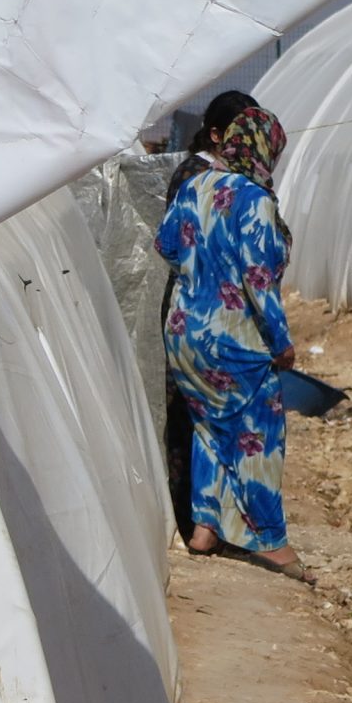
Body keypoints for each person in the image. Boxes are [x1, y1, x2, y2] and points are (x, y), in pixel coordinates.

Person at [157, 99, 311, 582]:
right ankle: (272, 542)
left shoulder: (194, 186)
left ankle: (204, 529)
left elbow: (166, 244)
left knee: (208, 427)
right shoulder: (255, 200)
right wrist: (281, 341)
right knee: (258, 437)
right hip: (235, 338)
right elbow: (258, 278)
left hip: (185, 332)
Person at [159, 93, 251, 544]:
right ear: (217, 136)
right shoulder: (200, 177)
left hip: (196, 308)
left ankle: (206, 522)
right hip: (203, 311)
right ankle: (200, 521)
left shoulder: (206, 175)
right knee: (204, 417)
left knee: (203, 416)